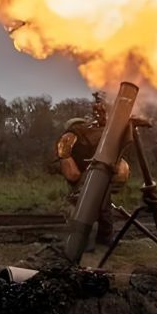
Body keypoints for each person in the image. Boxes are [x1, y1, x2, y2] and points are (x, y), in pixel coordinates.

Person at [53, 93, 130, 248]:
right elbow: (69, 169)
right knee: (90, 207)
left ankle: (99, 239)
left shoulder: (87, 139)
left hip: (97, 174)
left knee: (101, 208)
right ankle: (87, 240)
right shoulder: (72, 141)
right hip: (86, 176)